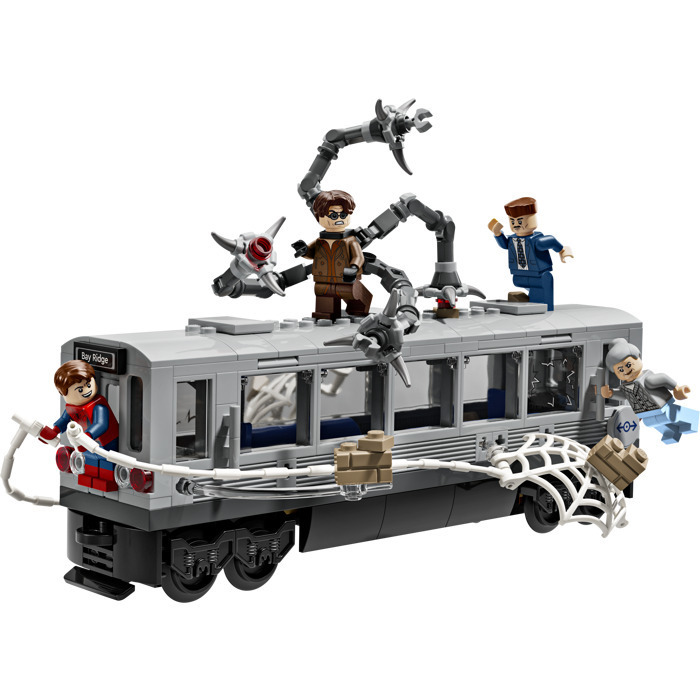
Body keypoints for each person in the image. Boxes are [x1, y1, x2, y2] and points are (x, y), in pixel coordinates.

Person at [39, 359, 120, 491]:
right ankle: (89, 480)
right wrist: (54, 431)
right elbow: (64, 420)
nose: (86, 390)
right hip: (85, 443)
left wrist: (86, 437)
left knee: (105, 463)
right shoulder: (72, 407)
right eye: (80, 389)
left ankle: (107, 481)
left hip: (104, 443)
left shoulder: (98, 406)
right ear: (63, 393)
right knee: (89, 462)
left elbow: (101, 424)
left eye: (88, 384)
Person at [292, 190, 372, 321]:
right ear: (319, 217)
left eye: (343, 215)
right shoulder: (320, 241)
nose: (339, 219)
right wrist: (304, 250)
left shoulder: (350, 240)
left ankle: (358, 310)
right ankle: (325, 316)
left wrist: (353, 267)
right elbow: (312, 253)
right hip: (323, 278)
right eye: (333, 216)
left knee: (353, 294)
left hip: (345, 277)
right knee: (323, 296)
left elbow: (358, 256)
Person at [600, 338, 698, 444]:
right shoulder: (625, 386)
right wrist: (611, 394)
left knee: (670, 415)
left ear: (639, 357)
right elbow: (624, 395)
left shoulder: (647, 380)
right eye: (620, 370)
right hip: (644, 412)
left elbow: (663, 378)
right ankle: (671, 432)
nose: (625, 371)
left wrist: (676, 388)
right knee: (650, 423)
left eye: (628, 365)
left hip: (663, 407)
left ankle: (693, 418)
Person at [488, 196, 573, 311]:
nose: (516, 224)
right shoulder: (512, 239)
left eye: (520, 221)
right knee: (531, 296)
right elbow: (505, 245)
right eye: (512, 221)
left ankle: (540, 308)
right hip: (519, 276)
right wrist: (498, 234)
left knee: (542, 301)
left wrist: (562, 251)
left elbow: (552, 241)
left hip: (540, 275)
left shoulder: (538, 241)